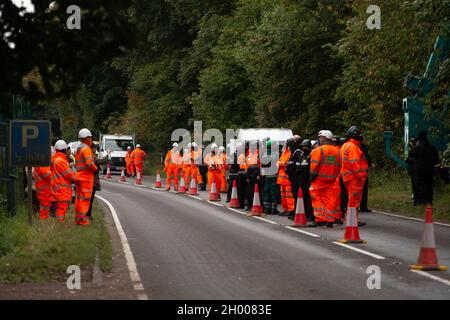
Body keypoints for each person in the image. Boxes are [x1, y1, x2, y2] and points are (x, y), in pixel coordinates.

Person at [310, 130, 342, 227]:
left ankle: (320, 219)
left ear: (324, 138)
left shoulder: (318, 150)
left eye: (320, 137)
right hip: (332, 180)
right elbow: (340, 166)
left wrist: (311, 178)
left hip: (319, 180)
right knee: (330, 200)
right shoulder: (337, 151)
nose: (319, 139)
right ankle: (330, 220)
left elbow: (314, 167)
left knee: (316, 197)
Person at [340, 126, 368, 226]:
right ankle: (352, 221)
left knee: (351, 200)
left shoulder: (346, 145)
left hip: (348, 177)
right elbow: (354, 163)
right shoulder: (353, 147)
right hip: (354, 178)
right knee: (354, 201)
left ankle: (351, 219)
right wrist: (360, 176)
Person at [407, 131, 439, 205]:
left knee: (420, 185)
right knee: (429, 185)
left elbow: (410, 157)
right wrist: (431, 164)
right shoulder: (432, 147)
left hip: (419, 170)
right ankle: (429, 201)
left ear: (419, 138)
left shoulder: (416, 148)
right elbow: (436, 158)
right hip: (430, 170)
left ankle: (421, 202)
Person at [287, 138, 314, 221]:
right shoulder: (301, 156)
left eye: (306, 147)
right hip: (299, 179)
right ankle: (299, 212)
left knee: (307, 198)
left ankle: (308, 214)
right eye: (303, 147)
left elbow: (309, 169)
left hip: (306, 180)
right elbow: (297, 167)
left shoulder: (309, 156)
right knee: (299, 197)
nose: (304, 149)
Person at [75, 128, 98, 226]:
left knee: (79, 199)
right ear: (87, 138)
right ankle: (83, 220)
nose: (91, 140)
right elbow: (89, 164)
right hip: (86, 177)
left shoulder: (78, 149)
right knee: (85, 200)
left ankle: (78, 219)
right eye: (90, 138)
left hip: (79, 176)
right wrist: (95, 168)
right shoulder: (86, 149)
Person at [51, 140, 74, 222]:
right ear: (64, 150)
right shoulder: (61, 161)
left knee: (56, 212)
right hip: (62, 191)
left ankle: (57, 226)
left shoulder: (53, 159)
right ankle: (59, 226)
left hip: (55, 189)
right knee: (61, 211)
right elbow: (70, 176)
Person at [87, 142, 107, 220]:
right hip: (92, 179)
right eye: (95, 148)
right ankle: (88, 214)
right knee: (90, 198)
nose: (96, 149)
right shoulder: (91, 156)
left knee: (89, 198)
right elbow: (100, 161)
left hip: (89, 179)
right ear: (92, 148)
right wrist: (107, 155)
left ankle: (88, 214)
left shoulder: (88, 155)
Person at [261, 139, 280, 215]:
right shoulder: (276, 154)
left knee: (266, 191)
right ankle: (273, 208)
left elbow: (263, 165)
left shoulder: (264, 154)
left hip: (267, 175)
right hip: (274, 175)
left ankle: (266, 208)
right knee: (274, 192)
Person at [226, 143, 247, 208]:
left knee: (236, 188)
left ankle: (231, 198)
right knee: (232, 187)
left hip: (238, 174)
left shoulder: (241, 155)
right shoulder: (235, 155)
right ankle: (229, 198)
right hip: (234, 173)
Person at [277, 139, 295, 215]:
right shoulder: (285, 153)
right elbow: (280, 162)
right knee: (283, 195)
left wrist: (279, 163)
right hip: (281, 178)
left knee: (289, 195)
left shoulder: (290, 153)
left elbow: (284, 163)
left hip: (287, 178)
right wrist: (280, 163)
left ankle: (291, 209)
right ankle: (286, 209)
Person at [245, 141, 262, 211]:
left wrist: (259, 174)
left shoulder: (258, 154)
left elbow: (260, 165)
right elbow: (247, 165)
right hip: (250, 174)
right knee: (250, 191)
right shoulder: (249, 155)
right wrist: (247, 176)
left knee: (257, 191)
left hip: (256, 174)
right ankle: (249, 205)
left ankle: (257, 205)